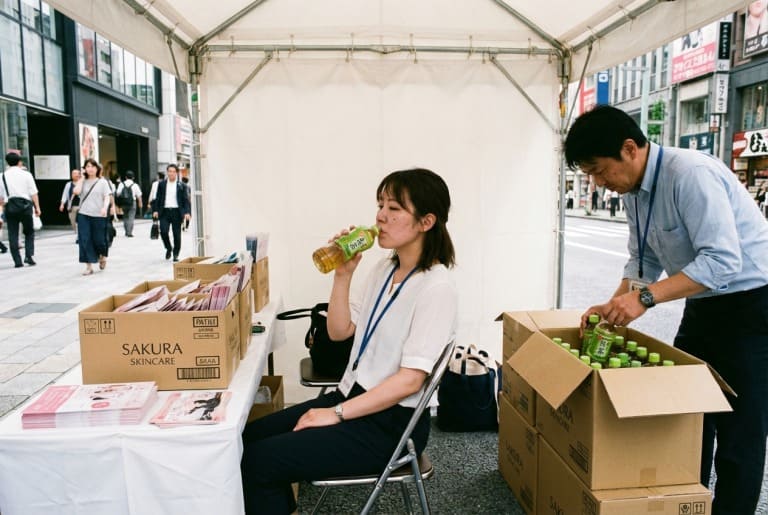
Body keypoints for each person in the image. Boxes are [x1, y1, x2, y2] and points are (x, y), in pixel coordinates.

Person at [565, 105, 768, 515]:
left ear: (629, 149)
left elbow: (722, 261)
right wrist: (614, 302)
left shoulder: (690, 174)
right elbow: (643, 261)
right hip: (703, 303)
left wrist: (643, 299)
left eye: (599, 171)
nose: (598, 183)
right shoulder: (634, 193)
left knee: (740, 430)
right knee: (688, 415)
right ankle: (688, 504)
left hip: (752, 305)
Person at [241, 168, 458, 514]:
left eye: (394, 208)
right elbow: (339, 332)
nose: (380, 216)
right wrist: (343, 275)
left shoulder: (436, 288)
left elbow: (410, 381)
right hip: (352, 397)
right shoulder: (384, 269)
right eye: (380, 205)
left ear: (426, 221)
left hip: (389, 426)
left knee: (259, 461)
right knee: (243, 440)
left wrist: (336, 414)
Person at [0, 152, 41, 267]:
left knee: (13, 233)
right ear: (19, 162)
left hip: (10, 206)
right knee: (29, 232)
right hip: (25, 205)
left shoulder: (2, 176)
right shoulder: (26, 174)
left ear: (7, 162)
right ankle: (29, 256)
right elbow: (33, 192)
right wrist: (37, 207)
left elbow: (1, 196)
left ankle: (17, 261)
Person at [73, 158, 112, 275]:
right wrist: (81, 179)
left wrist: (105, 207)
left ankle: (102, 256)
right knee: (84, 240)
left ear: (97, 168)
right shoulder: (83, 181)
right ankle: (89, 266)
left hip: (99, 215)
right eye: (87, 166)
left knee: (99, 240)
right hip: (84, 214)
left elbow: (107, 196)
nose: (90, 169)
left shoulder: (102, 182)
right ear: (84, 169)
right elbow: (76, 191)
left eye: (92, 166)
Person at [151, 164, 191, 261]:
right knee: (163, 232)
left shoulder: (182, 185)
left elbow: (186, 200)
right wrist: (155, 210)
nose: (171, 173)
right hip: (164, 212)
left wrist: (187, 212)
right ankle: (168, 248)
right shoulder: (162, 184)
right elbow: (158, 198)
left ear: (176, 173)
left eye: (173, 171)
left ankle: (176, 254)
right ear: (167, 172)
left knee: (177, 234)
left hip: (177, 212)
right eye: (169, 171)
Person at [115, 170, 143, 237]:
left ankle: (126, 231)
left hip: (124, 202)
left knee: (125, 216)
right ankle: (129, 232)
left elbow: (118, 193)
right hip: (132, 202)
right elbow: (139, 195)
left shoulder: (121, 184)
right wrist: (140, 203)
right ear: (133, 177)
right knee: (131, 217)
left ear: (126, 177)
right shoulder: (135, 185)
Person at [59, 168, 81, 241]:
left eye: (76, 173)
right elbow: (64, 195)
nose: (74, 175)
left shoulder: (82, 183)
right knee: (73, 221)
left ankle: (79, 236)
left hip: (81, 206)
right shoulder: (68, 184)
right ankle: (78, 233)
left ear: (79, 175)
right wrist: (62, 204)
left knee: (80, 221)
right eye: (73, 173)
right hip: (72, 206)